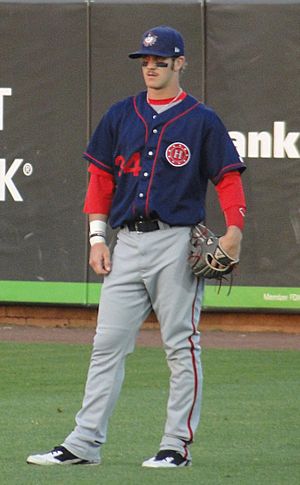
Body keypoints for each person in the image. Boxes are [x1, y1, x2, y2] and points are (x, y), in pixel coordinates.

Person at [27, 25, 246, 468]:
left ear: (180, 63)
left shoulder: (201, 119)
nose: (151, 66)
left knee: (181, 345)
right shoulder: (120, 115)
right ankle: (84, 443)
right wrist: (96, 237)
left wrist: (234, 231)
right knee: (106, 344)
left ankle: (174, 447)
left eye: (161, 60)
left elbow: (227, 177)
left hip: (176, 242)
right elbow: (101, 179)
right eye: (146, 60)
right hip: (125, 242)